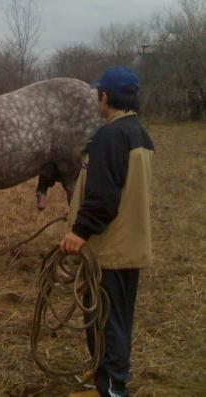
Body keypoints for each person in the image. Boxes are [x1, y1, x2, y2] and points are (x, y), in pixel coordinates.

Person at [60, 66, 154, 397]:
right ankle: (104, 378)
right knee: (112, 320)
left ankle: (113, 389)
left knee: (106, 321)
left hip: (111, 250)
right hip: (130, 245)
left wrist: (79, 232)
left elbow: (103, 197)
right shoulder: (138, 134)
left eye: (98, 96)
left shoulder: (108, 137)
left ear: (105, 98)